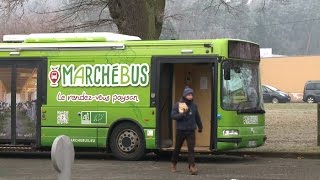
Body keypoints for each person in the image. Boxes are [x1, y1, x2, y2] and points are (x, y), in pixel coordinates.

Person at [170, 86, 203, 175]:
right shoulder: (178, 105)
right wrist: (182, 115)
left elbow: (197, 117)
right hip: (180, 130)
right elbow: (173, 116)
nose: (190, 96)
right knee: (177, 148)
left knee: (191, 149)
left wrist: (200, 126)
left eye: (191, 94)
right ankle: (174, 163)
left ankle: (191, 166)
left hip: (191, 130)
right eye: (188, 94)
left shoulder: (194, 105)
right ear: (184, 95)